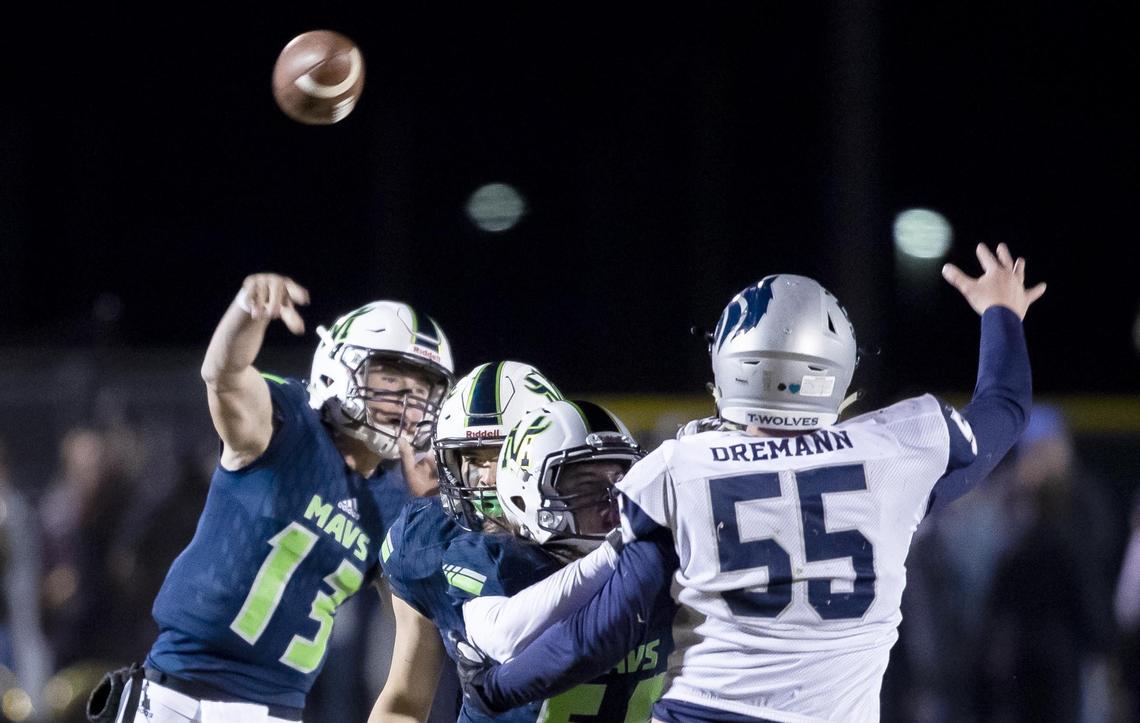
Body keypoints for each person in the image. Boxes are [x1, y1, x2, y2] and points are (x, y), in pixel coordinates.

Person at [459, 242, 1044, 722]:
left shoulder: (685, 468)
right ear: (838, 370)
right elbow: (1007, 407)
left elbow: (605, 630)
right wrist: (1001, 313)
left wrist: (498, 687)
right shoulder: (896, 450)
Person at [105, 273, 455, 723]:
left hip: (272, 712)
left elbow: (415, 667)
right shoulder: (284, 422)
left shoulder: (401, 507)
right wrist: (246, 313)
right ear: (341, 363)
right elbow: (222, 375)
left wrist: (427, 524)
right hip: (173, 691)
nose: (406, 402)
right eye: (390, 377)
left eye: (421, 390)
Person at [370, 362, 624, 722]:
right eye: (473, 458)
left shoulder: (606, 536)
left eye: (504, 454)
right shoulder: (429, 542)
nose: (488, 477)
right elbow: (404, 700)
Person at [450, 399, 673, 722]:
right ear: (521, 493)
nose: (612, 500)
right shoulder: (497, 560)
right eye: (587, 486)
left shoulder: (651, 559)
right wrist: (617, 549)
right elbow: (503, 638)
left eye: (620, 481)